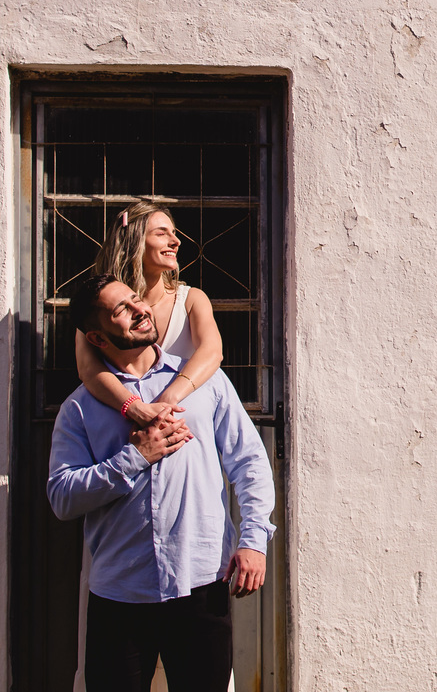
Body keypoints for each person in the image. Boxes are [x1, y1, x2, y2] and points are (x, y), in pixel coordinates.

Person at [48, 273, 275, 692]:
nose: (139, 309)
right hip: (120, 595)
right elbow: (62, 497)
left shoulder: (203, 384)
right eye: (121, 309)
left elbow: (250, 462)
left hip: (202, 583)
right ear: (97, 339)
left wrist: (253, 540)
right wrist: (135, 457)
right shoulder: (79, 409)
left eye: (136, 299)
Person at [76, 201, 224, 429]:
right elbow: (88, 369)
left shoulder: (192, 300)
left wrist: (168, 400)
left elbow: (212, 353)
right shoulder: (99, 307)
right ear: (134, 242)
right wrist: (134, 408)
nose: (176, 241)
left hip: (185, 423)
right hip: (122, 430)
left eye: (174, 233)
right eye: (161, 234)